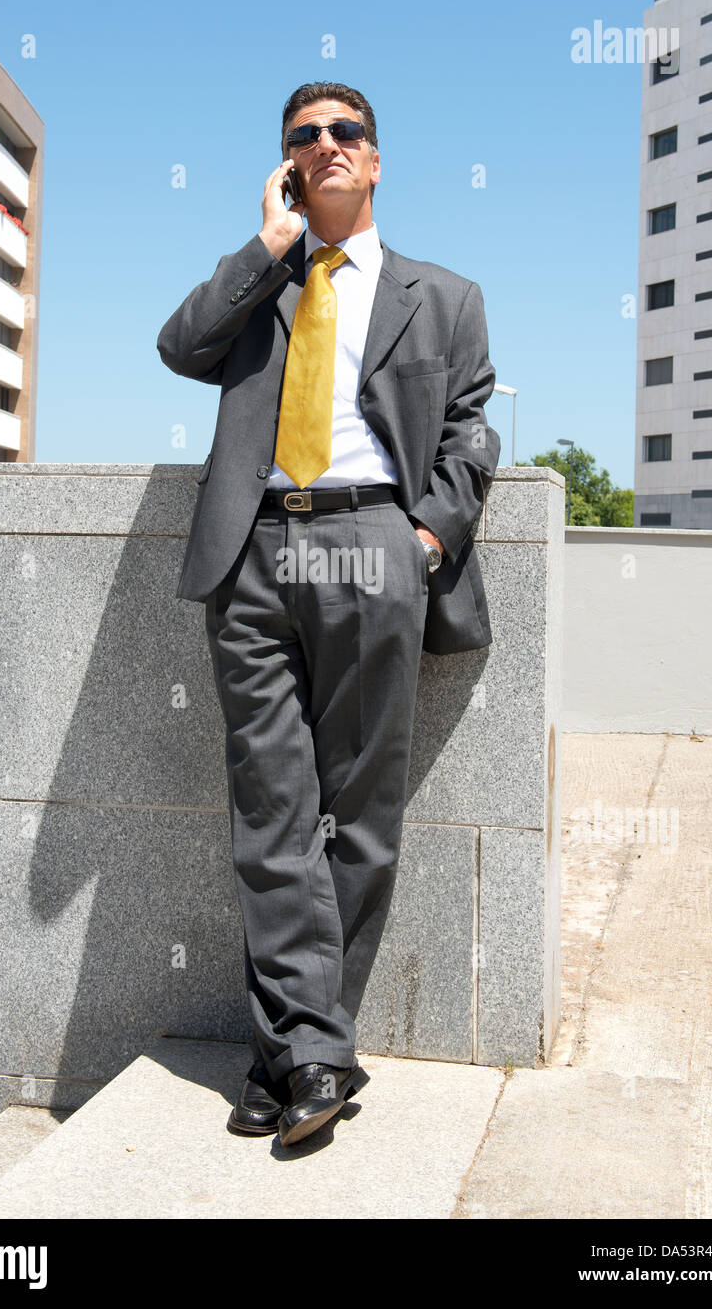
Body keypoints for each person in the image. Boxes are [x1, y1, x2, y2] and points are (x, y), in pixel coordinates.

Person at [157, 81, 500, 1146]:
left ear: (377, 159)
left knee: (357, 813)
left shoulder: (441, 294)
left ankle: (290, 1052)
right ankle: (314, 1052)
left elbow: (474, 433)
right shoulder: (263, 283)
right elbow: (179, 345)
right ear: (288, 166)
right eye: (304, 137)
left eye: (344, 132)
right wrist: (267, 245)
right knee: (270, 808)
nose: (325, 145)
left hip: (372, 544)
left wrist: (427, 537)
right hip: (253, 547)